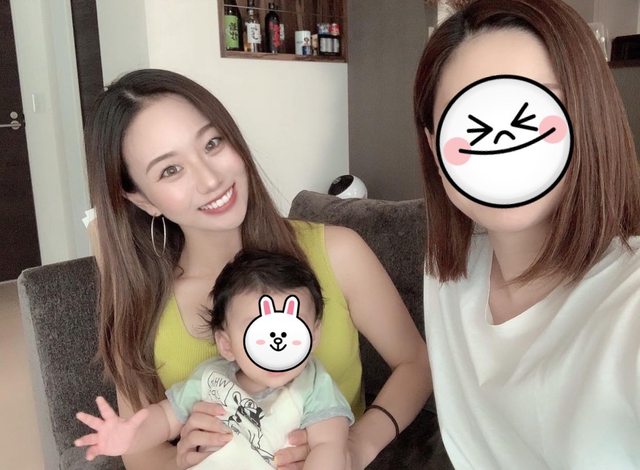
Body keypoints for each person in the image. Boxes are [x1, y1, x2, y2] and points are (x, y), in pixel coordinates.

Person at [85, 68, 430, 470]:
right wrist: (182, 461)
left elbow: (416, 363)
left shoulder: (337, 251)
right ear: (143, 200)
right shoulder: (144, 302)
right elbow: (141, 457)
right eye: (170, 170)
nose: (210, 179)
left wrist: (357, 446)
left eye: (212, 143)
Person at [415, 0, 640, 468]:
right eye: (471, 122)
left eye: (529, 113)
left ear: (589, 117)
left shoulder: (629, 302)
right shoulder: (447, 273)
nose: (503, 141)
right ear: (435, 148)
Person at [74, 250, 354, 469]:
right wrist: (129, 436)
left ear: (314, 334)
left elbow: (330, 446)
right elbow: (165, 419)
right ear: (226, 344)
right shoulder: (210, 378)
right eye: (259, 332)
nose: (276, 347)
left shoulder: (314, 385)